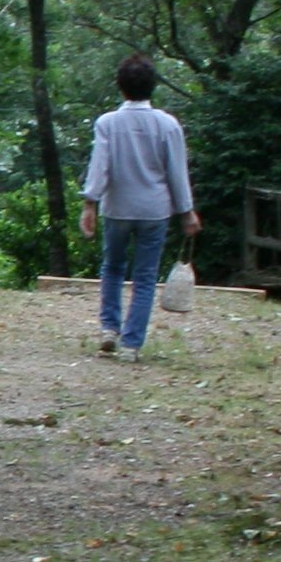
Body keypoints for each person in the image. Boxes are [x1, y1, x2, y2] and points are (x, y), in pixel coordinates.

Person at [78, 53, 198, 359]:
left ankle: (109, 328)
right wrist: (186, 212)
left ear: (120, 87)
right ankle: (131, 345)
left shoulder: (107, 123)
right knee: (145, 277)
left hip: (117, 208)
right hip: (154, 211)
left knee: (112, 268)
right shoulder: (168, 125)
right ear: (153, 86)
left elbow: (100, 165)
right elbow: (177, 173)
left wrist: (90, 202)